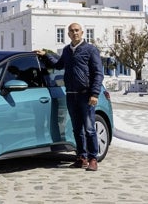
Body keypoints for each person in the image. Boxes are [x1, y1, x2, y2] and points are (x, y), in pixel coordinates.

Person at [35, 23, 103, 171]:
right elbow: (58, 65)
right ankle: (81, 157)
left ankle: (93, 158)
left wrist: (95, 93)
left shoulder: (90, 50)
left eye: (77, 30)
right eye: (72, 31)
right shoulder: (66, 50)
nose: (75, 33)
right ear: (68, 34)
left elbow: (98, 73)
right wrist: (45, 55)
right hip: (71, 95)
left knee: (90, 128)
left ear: (82, 32)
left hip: (86, 95)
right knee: (77, 128)